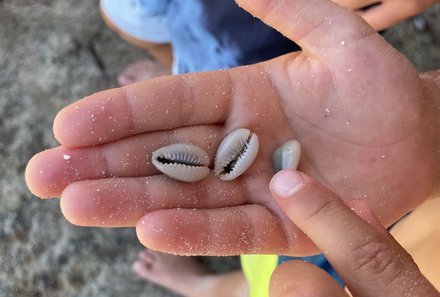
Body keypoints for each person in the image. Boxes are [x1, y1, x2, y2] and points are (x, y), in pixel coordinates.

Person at [25, 0, 440, 296]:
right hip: (384, 212)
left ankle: (204, 287)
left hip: (351, 245)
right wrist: (431, 121)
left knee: (272, 267)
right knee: (270, 254)